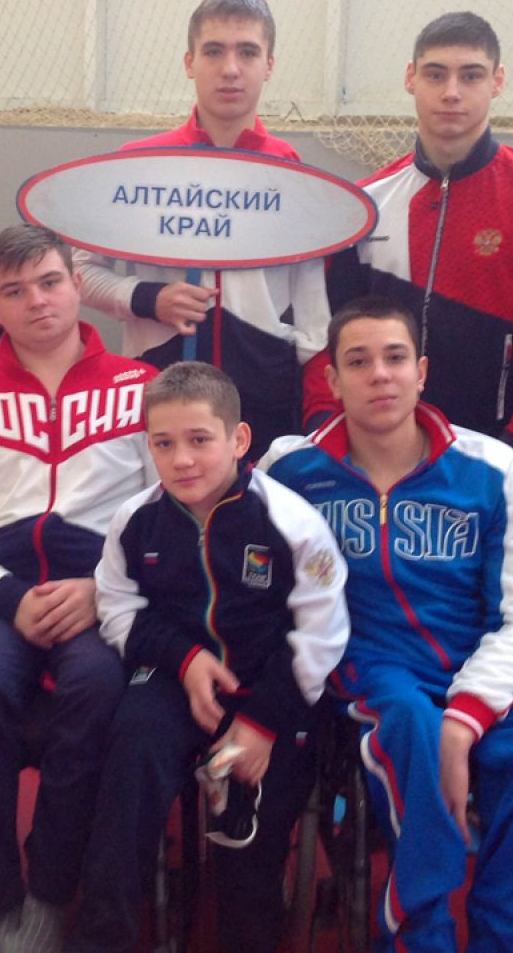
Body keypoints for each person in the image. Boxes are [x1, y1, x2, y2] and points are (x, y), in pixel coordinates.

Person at [264, 296, 513, 952]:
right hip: (370, 664)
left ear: (422, 371)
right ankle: (421, 934)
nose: (379, 374)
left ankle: (505, 940)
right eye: (359, 361)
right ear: (332, 380)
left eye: (395, 357)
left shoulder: (491, 469)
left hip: (481, 660)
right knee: (409, 724)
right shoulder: (289, 473)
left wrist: (464, 721)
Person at [0, 224, 160, 953]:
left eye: (49, 282)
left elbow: (171, 510)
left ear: (76, 285)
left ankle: (51, 890)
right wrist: (6, 596)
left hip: (103, 584)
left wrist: (103, 589)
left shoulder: (142, 389)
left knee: (100, 685)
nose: (37, 301)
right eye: (15, 291)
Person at [65, 362, 349, 953]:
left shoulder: (291, 521)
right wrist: (185, 658)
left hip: (271, 692)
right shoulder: (135, 521)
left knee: (251, 849)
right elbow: (117, 608)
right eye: (164, 444)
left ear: (238, 439)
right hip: (172, 680)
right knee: (128, 770)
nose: (183, 460)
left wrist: (263, 722)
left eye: (200, 440)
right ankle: (102, 936)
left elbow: (321, 633)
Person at [322, 12, 513, 480]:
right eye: (435, 74)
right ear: (410, 78)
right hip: (375, 464)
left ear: (497, 81)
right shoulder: (365, 204)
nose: (452, 92)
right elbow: (329, 335)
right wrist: (334, 435)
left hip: (492, 461)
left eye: (471, 75)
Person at [78, 0, 330, 458]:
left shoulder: (294, 174)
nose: (230, 68)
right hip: (159, 390)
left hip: (266, 395)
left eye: (247, 52)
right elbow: (81, 273)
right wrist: (149, 298)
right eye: (214, 51)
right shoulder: (137, 164)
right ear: (189, 62)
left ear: (269, 65)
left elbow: (314, 313)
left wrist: (317, 415)